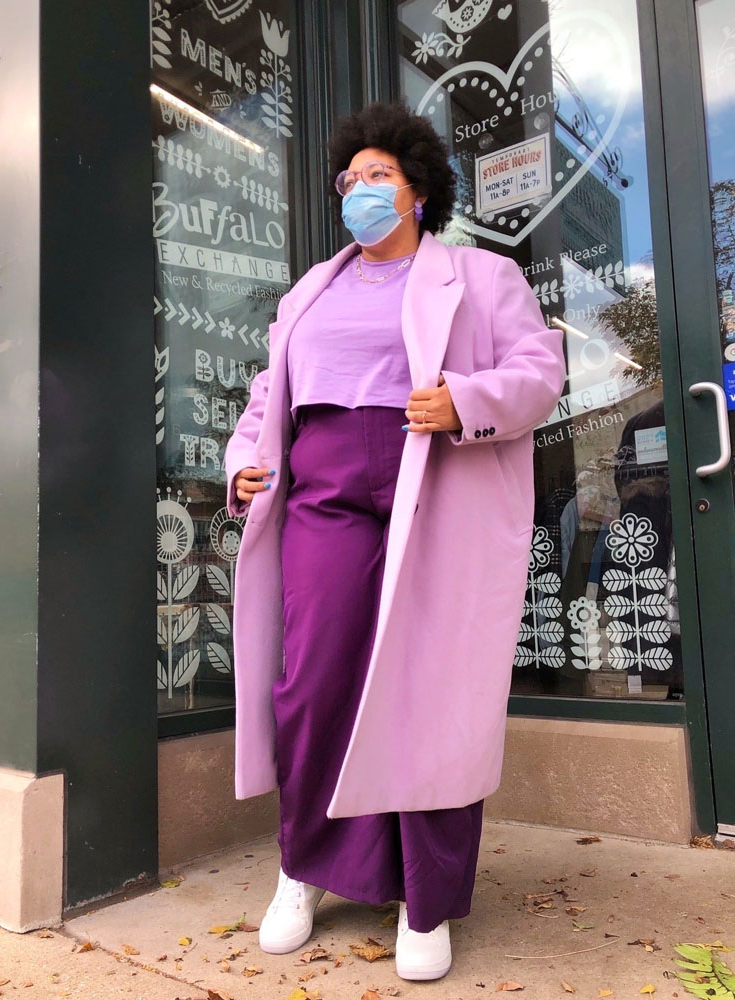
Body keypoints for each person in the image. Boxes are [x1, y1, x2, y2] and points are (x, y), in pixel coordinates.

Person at [224, 100, 566, 981]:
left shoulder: (481, 277)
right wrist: (243, 463)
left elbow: (540, 372)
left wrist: (465, 401)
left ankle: (426, 897)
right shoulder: (310, 289)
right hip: (326, 485)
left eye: (379, 175)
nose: (361, 190)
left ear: (418, 191)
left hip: (436, 476)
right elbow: (269, 396)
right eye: (350, 178)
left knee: (430, 684)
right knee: (313, 677)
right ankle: (303, 868)